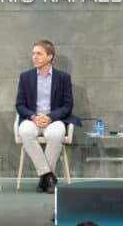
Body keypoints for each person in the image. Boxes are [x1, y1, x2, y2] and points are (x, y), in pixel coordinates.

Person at [15, 40, 81, 194]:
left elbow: (67, 105)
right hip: (33, 119)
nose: (34, 57)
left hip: (54, 119)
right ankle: (48, 176)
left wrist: (51, 117)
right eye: (33, 53)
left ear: (50, 56)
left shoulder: (63, 77)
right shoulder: (25, 77)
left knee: (56, 134)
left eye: (39, 53)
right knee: (24, 132)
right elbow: (20, 105)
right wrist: (33, 116)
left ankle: (43, 179)